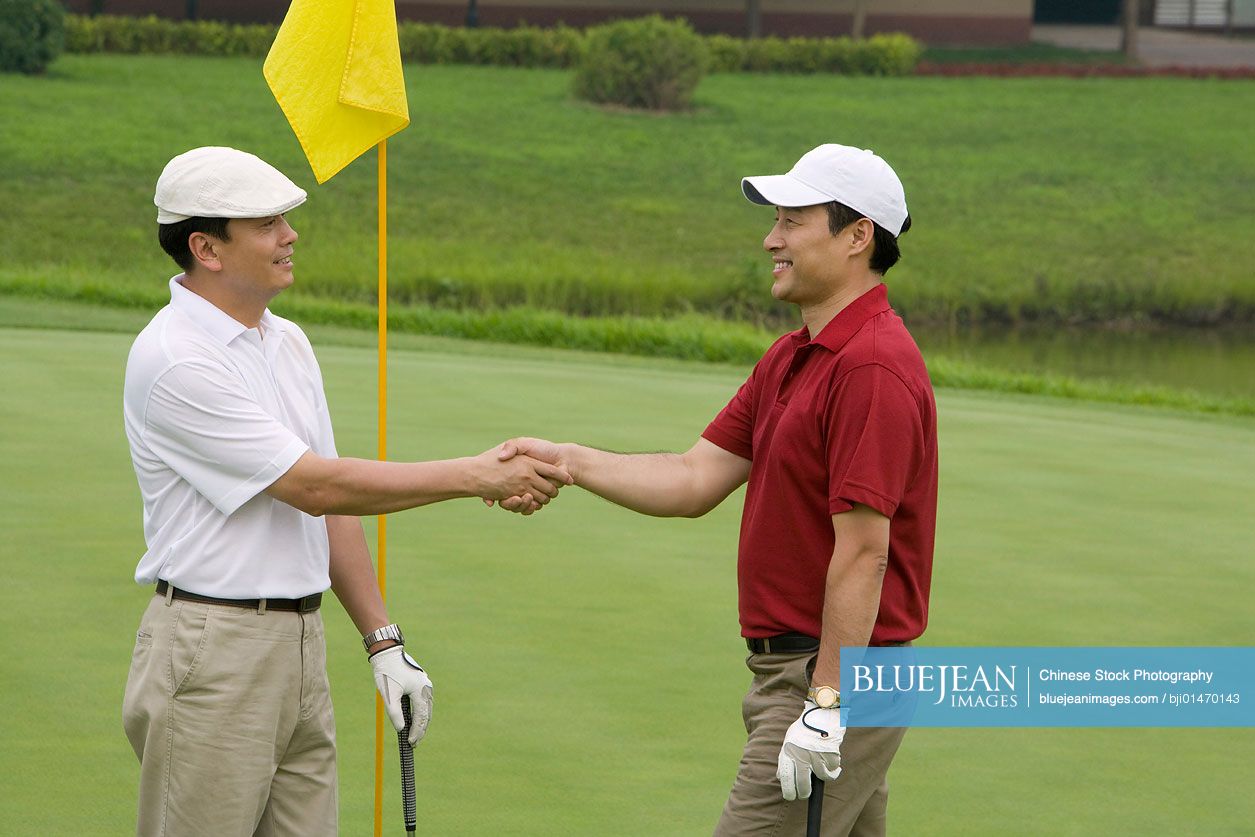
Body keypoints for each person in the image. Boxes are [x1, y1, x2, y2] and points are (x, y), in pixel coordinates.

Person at [121, 146, 570, 836]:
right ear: (206, 247)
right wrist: (477, 475)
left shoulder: (288, 341)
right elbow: (312, 484)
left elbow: (328, 504)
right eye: (267, 223)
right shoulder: (175, 357)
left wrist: (381, 640)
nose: (290, 235)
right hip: (213, 646)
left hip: (300, 642)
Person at [494, 144, 938, 835]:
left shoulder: (871, 366)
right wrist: (569, 460)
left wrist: (824, 703)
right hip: (797, 676)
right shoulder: (793, 356)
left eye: (793, 221)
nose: (771, 239)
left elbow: (863, 552)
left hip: (834, 680)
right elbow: (693, 476)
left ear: (857, 237)